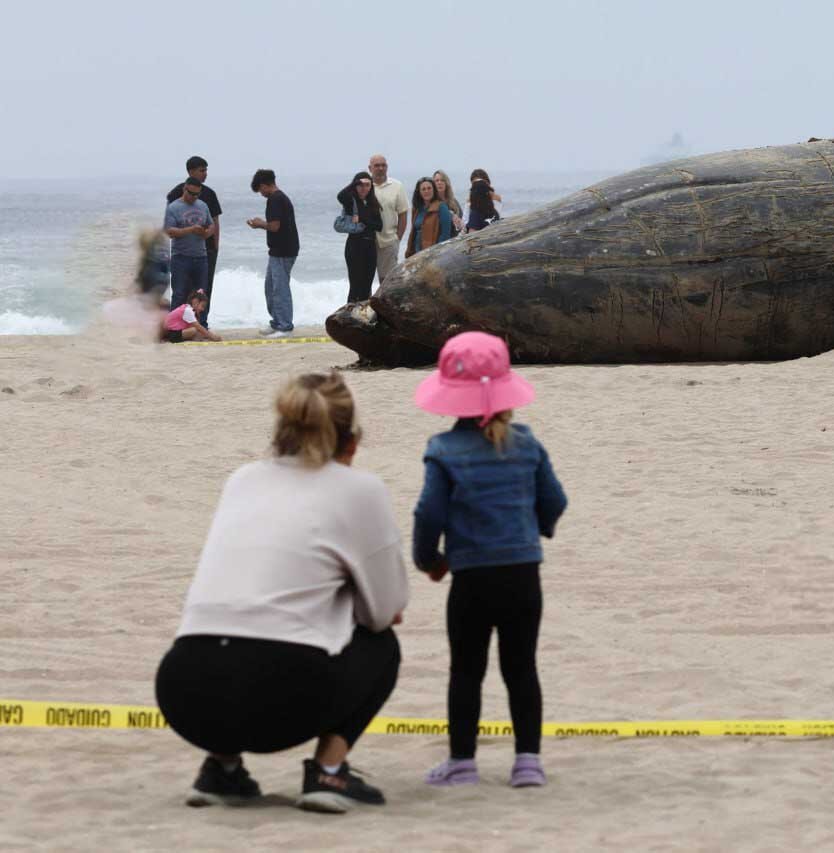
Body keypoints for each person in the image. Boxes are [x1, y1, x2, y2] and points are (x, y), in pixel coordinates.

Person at [155, 371, 409, 814]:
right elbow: (384, 612)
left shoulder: (243, 478)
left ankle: (222, 769)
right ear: (351, 441)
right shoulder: (359, 488)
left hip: (185, 688)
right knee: (382, 646)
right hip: (285, 690)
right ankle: (329, 772)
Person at [411, 331, 568, 789]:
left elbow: (428, 513)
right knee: (521, 668)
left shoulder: (443, 450)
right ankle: (528, 763)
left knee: (467, 670)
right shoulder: (525, 443)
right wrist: (533, 530)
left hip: (471, 578)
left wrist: (429, 560)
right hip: (523, 575)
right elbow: (554, 501)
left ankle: (462, 762)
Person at [166, 157, 222, 328]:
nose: (205, 174)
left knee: (203, 291)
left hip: (205, 252)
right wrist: (190, 230)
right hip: (181, 253)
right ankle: (177, 326)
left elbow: (214, 222)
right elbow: (169, 228)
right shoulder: (175, 195)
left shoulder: (208, 196)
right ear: (190, 172)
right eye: (201, 170)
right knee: (181, 291)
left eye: (206, 170)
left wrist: (214, 245)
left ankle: (202, 323)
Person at [247, 169, 300, 338]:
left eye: (260, 190)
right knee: (270, 287)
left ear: (264, 185)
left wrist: (259, 223)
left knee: (280, 288)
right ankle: (277, 322)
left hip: (284, 250)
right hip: (278, 250)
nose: (261, 194)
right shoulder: (278, 198)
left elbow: (275, 226)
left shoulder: (275, 199)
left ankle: (285, 326)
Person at [163, 177, 215, 309]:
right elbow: (169, 231)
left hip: (201, 257)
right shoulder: (173, 207)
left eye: (197, 194)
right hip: (181, 257)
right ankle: (174, 328)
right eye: (190, 193)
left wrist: (206, 233)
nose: (193, 197)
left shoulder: (203, 205)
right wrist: (190, 229)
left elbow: (211, 225)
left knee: (200, 295)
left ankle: (200, 325)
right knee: (179, 294)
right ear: (184, 189)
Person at [336, 171, 383, 303]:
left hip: (370, 247)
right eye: (360, 185)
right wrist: (355, 182)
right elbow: (340, 195)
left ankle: (361, 318)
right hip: (355, 246)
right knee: (355, 286)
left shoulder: (373, 203)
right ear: (355, 186)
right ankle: (347, 318)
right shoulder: (351, 202)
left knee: (366, 286)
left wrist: (361, 219)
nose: (364, 188)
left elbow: (379, 226)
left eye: (367, 185)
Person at [368, 154, 409, 282]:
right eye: (377, 165)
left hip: (389, 242)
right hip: (367, 242)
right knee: (365, 280)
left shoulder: (397, 186)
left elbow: (403, 213)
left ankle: (385, 303)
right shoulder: (364, 186)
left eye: (383, 165)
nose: (380, 168)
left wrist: (398, 238)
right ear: (370, 168)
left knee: (387, 282)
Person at [406, 177, 453, 258]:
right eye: (423, 189)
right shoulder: (417, 209)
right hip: (416, 253)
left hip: (433, 254)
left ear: (434, 190)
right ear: (419, 192)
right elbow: (413, 232)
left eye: (429, 188)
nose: (426, 191)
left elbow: (445, 235)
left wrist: (437, 254)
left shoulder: (441, 207)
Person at [464, 169, 503, 233]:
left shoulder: (495, 198)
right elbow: (465, 221)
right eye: (475, 183)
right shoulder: (470, 201)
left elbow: (496, 219)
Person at [432, 170, 464, 236]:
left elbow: (462, 222)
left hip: (454, 239)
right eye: (437, 181)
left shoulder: (454, 202)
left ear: (446, 183)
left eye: (442, 180)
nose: (439, 183)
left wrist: (459, 223)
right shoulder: (432, 203)